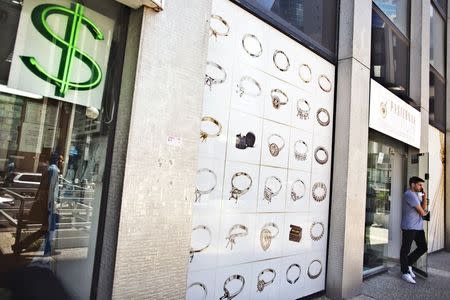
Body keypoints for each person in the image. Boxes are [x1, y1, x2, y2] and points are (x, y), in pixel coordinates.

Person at [400, 176, 429, 284]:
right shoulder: (409, 194)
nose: (421, 187)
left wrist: (424, 197)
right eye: (420, 185)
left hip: (418, 227)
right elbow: (422, 212)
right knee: (405, 250)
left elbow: (423, 208)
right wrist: (424, 212)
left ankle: (408, 264)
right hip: (409, 227)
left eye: (422, 185)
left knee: (423, 247)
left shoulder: (417, 195)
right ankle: (405, 272)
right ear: (413, 184)